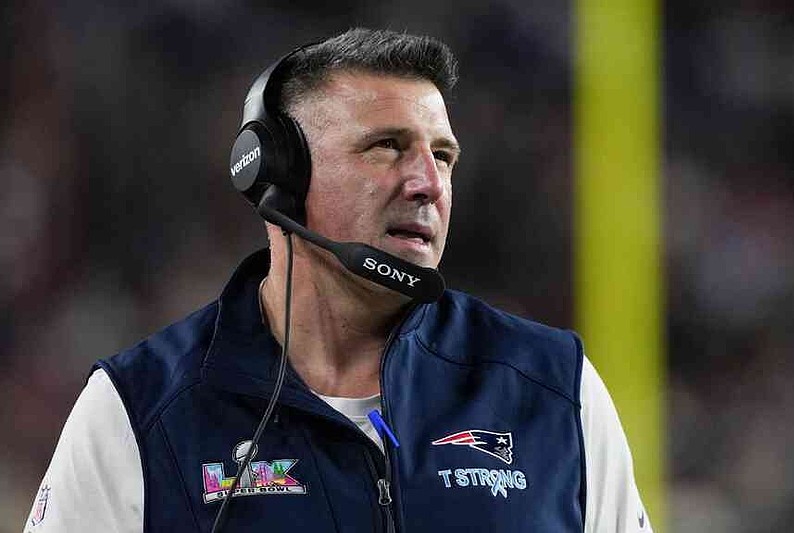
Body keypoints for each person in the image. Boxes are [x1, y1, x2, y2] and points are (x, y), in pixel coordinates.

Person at [25, 28, 652, 532]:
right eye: (385, 146)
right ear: (278, 178)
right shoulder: (138, 410)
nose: (428, 184)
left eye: (443, 155)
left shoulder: (553, 389)